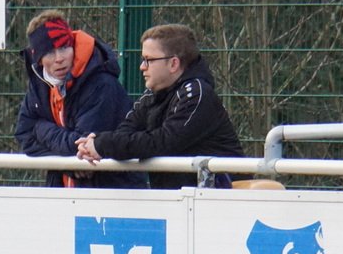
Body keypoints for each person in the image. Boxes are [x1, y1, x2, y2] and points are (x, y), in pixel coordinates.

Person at [75, 23, 244, 189]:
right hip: (180, 197)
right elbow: (125, 131)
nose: (142, 67)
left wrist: (102, 144)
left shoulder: (197, 94)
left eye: (148, 60)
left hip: (221, 198)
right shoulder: (152, 95)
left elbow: (163, 142)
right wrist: (96, 144)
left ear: (173, 64)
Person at [15, 10, 147, 189]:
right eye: (50, 52)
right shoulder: (39, 85)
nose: (59, 58)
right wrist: (68, 166)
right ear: (38, 58)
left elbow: (82, 145)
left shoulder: (101, 84)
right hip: (62, 191)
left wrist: (41, 128)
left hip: (110, 191)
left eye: (64, 48)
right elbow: (24, 135)